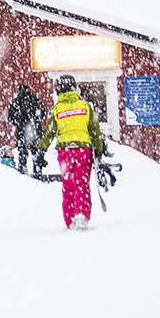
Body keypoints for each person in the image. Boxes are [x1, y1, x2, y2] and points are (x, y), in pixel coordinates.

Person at [37, 74, 103, 231]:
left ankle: (70, 218)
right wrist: (99, 150)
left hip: (65, 151)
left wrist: (41, 149)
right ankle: (82, 214)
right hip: (83, 150)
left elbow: (49, 132)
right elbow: (95, 130)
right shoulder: (86, 107)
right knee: (82, 184)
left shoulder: (57, 110)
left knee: (68, 185)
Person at [7, 83, 47, 178]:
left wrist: (19, 121)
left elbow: (11, 118)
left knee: (22, 155)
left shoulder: (16, 102)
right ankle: (38, 174)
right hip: (35, 131)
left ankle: (23, 175)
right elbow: (42, 113)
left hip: (22, 131)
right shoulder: (34, 100)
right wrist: (34, 118)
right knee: (36, 154)